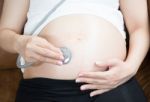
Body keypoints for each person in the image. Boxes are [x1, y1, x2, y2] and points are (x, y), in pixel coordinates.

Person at [0, 0, 149, 102]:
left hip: (110, 83)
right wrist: (20, 43)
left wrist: (131, 67)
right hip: (43, 88)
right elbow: (4, 32)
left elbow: (139, 27)